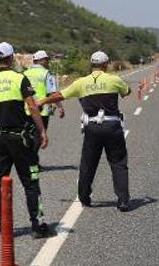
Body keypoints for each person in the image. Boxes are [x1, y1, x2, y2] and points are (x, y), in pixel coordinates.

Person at [38, 51, 132, 212]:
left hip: (92, 127)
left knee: (88, 163)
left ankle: (84, 197)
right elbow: (127, 92)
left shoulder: (81, 82)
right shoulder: (114, 79)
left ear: (91, 65)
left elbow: (60, 95)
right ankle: (123, 199)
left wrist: (43, 100)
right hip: (112, 126)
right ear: (105, 64)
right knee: (118, 162)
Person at [0, 42, 51, 238]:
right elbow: (33, 107)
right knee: (31, 181)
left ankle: (4, 226)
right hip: (21, 138)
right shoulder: (19, 78)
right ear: (10, 59)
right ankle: (37, 224)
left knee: (0, 182)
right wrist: (42, 131)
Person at [23, 50, 65, 135]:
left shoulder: (25, 73)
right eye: (46, 60)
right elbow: (52, 93)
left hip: (26, 110)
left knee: (28, 137)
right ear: (41, 60)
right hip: (43, 111)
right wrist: (60, 107)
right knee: (39, 137)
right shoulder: (46, 73)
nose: (47, 62)